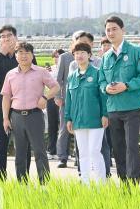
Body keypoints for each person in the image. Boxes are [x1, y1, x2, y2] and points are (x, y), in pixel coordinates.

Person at [98, 16, 140, 185]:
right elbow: (101, 81)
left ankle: (133, 183)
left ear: (123, 31)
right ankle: (124, 184)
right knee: (118, 148)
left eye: (114, 29)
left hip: (132, 107)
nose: (111, 32)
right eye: (108, 30)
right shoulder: (105, 57)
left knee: (132, 146)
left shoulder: (136, 51)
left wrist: (126, 86)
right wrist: (105, 88)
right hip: (113, 107)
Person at [1, 42, 59, 184]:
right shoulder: (11, 74)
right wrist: (5, 118)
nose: (23, 56)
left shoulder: (41, 72)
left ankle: (44, 183)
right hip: (16, 116)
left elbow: (56, 86)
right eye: (20, 53)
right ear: (16, 56)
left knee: (39, 151)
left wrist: (45, 97)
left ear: (32, 55)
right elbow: (6, 97)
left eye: (27, 53)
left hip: (35, 115)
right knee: (19, 153)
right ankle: (22, 184)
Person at [0, 25, 30, 179]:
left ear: (15, 37)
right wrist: (1, 54)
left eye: (9, 35)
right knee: (1, 143)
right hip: (3, 105)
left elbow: (34, 72)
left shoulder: (24, 54)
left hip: (23, 105)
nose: (6, 39)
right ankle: (0, 178)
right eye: (2, 36)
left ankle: (23, 177)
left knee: (24, 144)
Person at [66, 32, 112, 177]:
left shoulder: (97, 73)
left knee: (94, 151)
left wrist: (105, 114)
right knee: (83, 153)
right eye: (77, 53)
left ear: (89, 55)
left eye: (83, 53)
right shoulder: (72, 76)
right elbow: (69, 99)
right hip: (78, 121)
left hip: (95, 120)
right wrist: (68, 118)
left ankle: (101, 184)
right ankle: (85, 183)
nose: (79, 56)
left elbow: (103, 96)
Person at [54, 31, 83, 168]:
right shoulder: (65, 57)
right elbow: (58, 79)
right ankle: (62, 157)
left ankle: (79, 157)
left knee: (80, 129)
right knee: (64, 129)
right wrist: (57, 96)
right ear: (72, 41)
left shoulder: (87, 56)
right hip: (66, 100)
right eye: (76, 39)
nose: (78, 41)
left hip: (83, 100)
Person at [46, 49, 64, 158]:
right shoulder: (48, 70)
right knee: (52, 125)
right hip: (51, 99)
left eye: (59, 56)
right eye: (55, 56)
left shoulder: (68, 67)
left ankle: (64, 151)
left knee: (63, 125)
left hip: (63, 98)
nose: (57, 59)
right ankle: (51, 150)